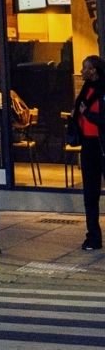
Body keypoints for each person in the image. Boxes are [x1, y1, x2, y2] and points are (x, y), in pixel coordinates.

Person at [68, 55, 105, 251]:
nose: (82, 71)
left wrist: (86, 113)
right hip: (89, 146)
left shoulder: (102, 90)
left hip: (102, 145)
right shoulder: (85, 89)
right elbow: (79, 112)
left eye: (85, 68)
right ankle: (93, 236)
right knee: (90, 194)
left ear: (95, 70)